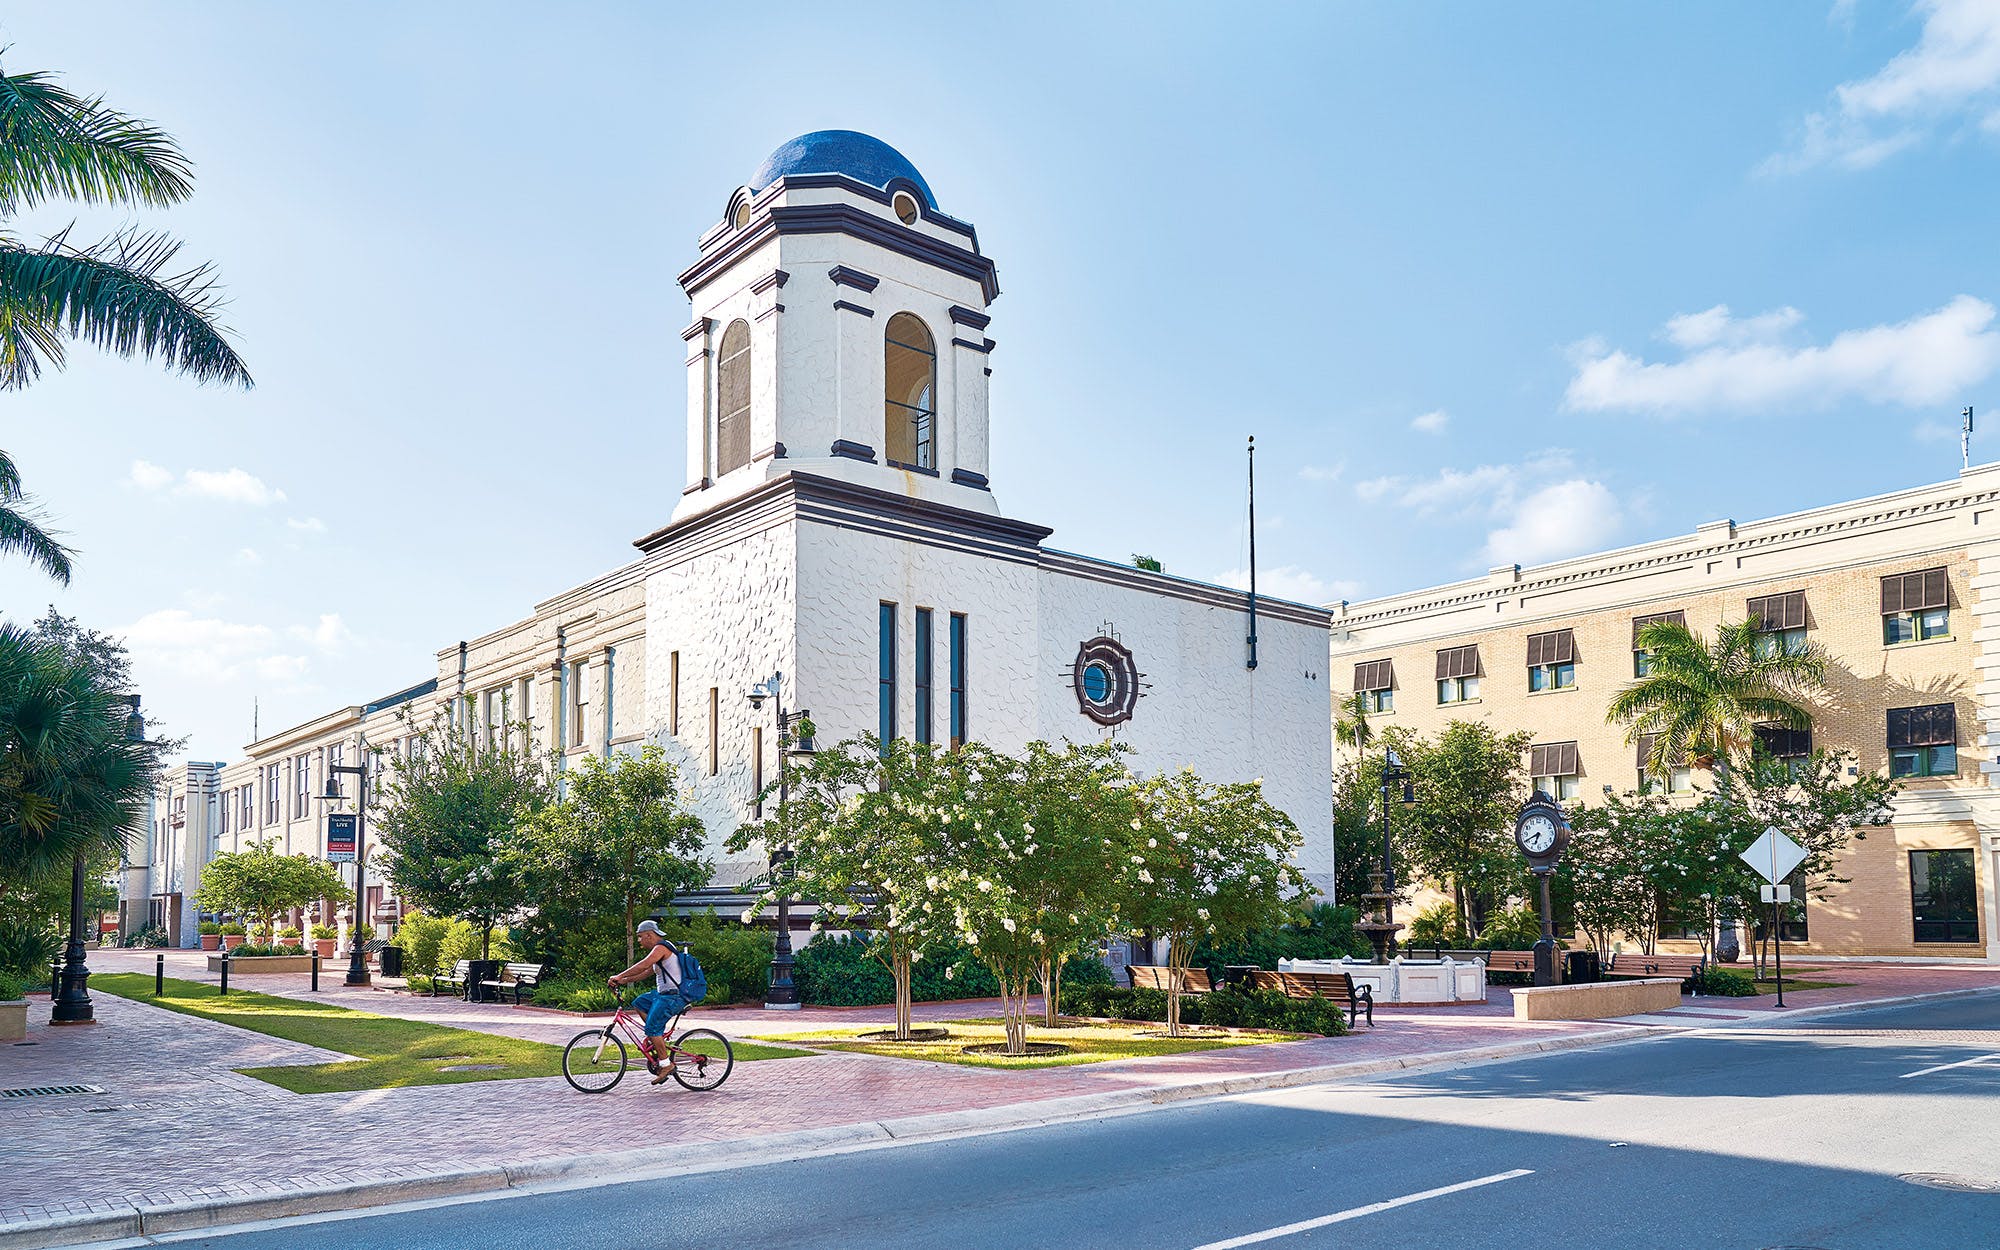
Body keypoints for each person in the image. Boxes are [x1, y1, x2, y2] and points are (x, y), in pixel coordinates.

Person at [609, 919, 686, 1084]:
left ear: (650, 935)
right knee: (640, 1002)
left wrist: (619, 975)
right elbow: (645, 973)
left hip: (673, 996)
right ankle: (656, 1037)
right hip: (663, 994)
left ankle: (666, 1065)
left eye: (640, 936)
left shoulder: (661, 948)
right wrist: (623, 980)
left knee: (651, 1027)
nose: (638, 940)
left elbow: (643, 965)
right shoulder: (660, 950)